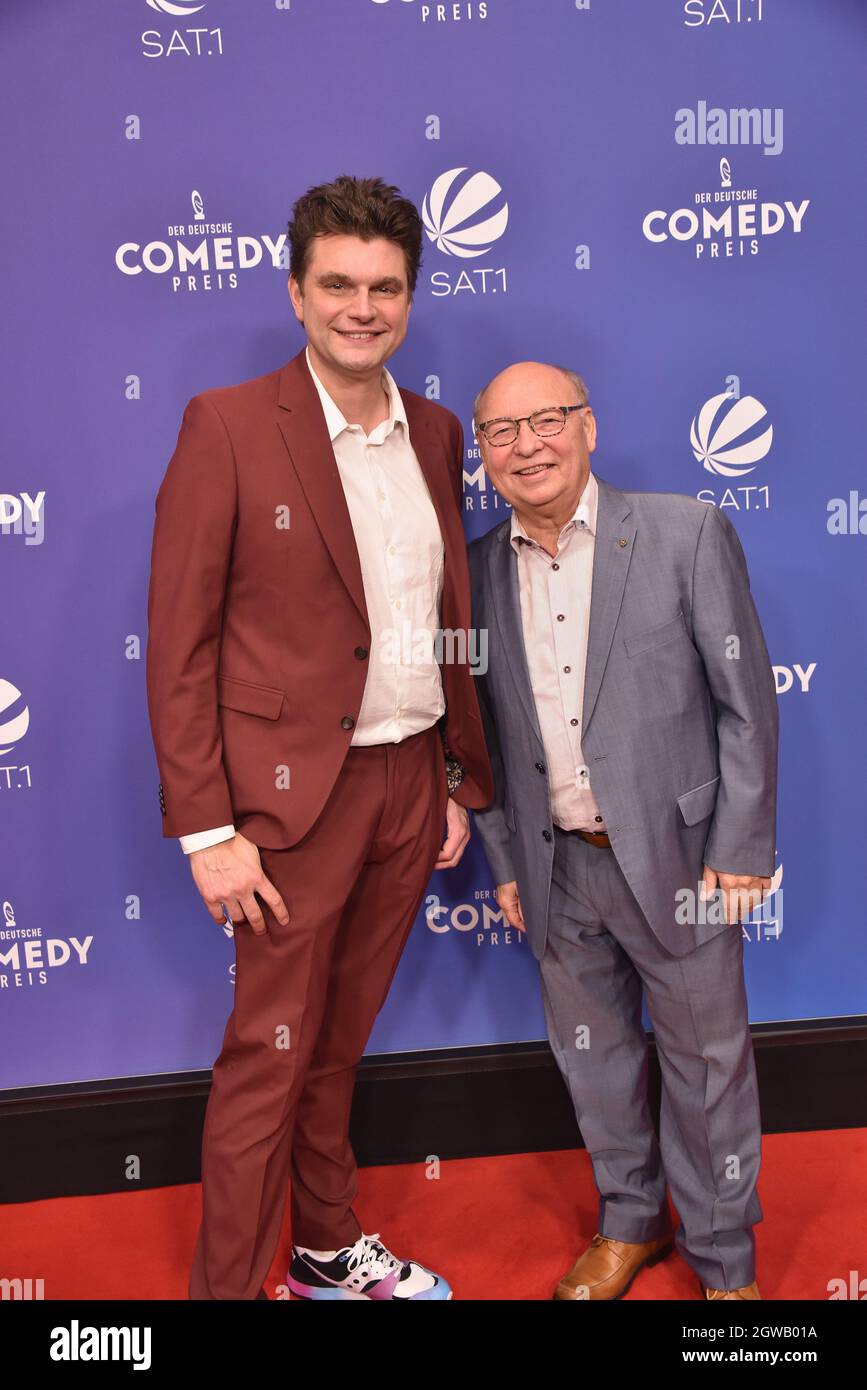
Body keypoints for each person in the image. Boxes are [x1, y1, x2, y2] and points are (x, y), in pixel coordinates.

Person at [146, 175, 492, 1301]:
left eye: (384, 287)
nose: (361, 306)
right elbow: (182, 641)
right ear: (295, 291)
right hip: (289, 801)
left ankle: (326, 1242)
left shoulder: (436, 431)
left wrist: (447, 775)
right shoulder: (229, 424)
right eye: (337, 283)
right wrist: (208, 829)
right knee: (269, 1055)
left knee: (340, 1040)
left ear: (410, 298)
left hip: (408, 781)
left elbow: (438, 619)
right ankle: (232, 1288)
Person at [467, 360, 778, 1301]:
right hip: (556, 872)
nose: (527, 446)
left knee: (706, 1072)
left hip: (680, 862)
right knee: (594, 1065)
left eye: (546, 421)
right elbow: (473, 731)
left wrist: (737, 846)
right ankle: (631, 1222)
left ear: (588, 427)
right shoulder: (475, 569)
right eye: (500, 432)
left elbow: (746, 707)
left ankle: (725, 1266)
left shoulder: (685, 533)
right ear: (481, 454)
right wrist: (505, 856)